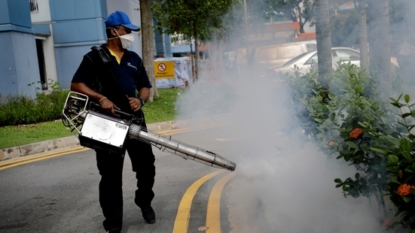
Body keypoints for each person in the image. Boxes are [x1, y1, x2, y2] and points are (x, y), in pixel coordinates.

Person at [71, 11, 156, 233]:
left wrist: (141, 100)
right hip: (106, 124)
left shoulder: (134, 58)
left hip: (135, 122)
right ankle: (114, 225)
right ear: (113, 31)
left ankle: (144, 201)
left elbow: (145, 86)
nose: (130, 34)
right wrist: (101, 98)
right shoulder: (93, 58)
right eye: (126, 30)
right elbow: (77, 84)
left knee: (147, 167)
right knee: (110, 177)